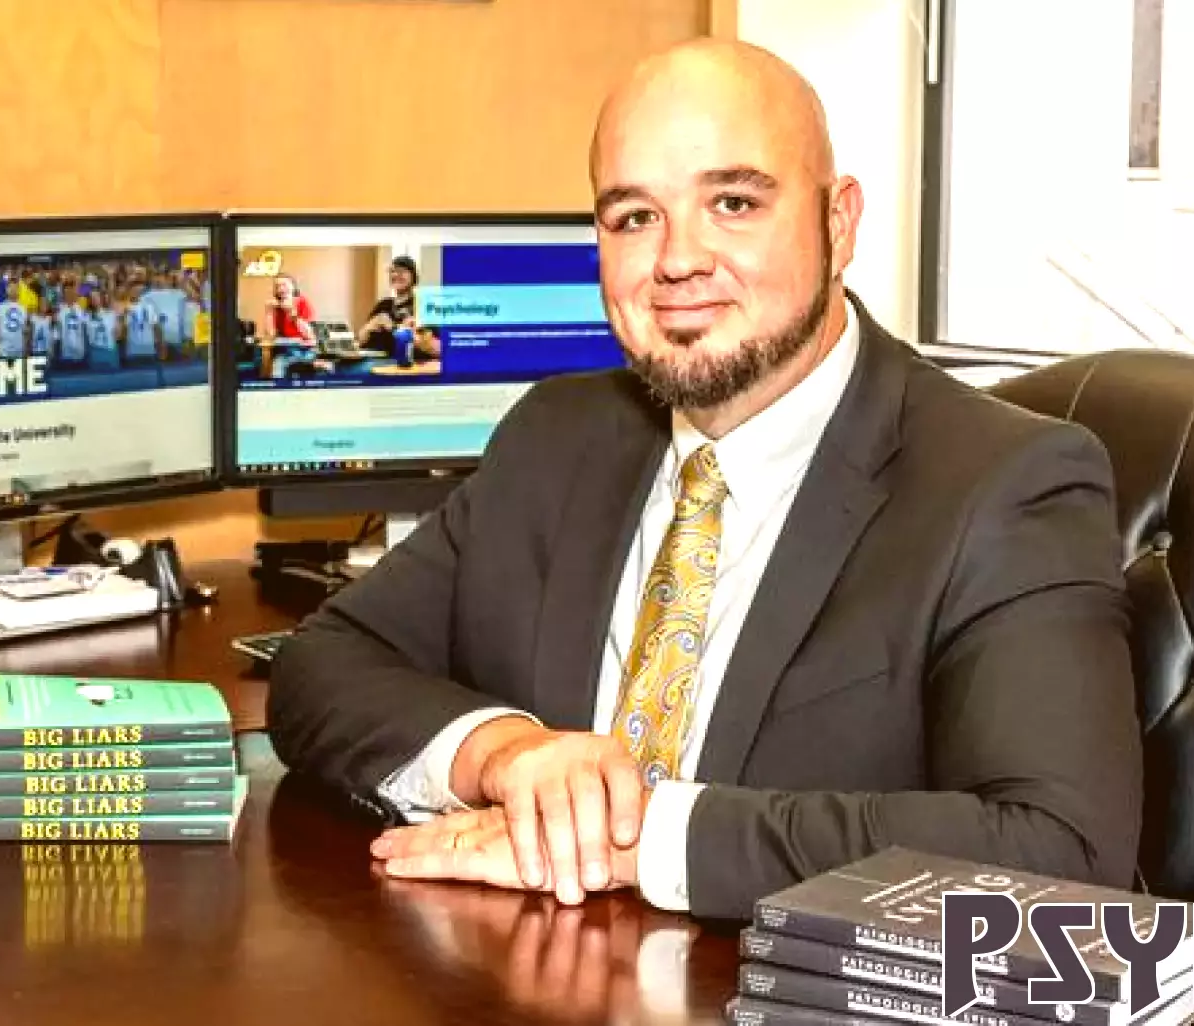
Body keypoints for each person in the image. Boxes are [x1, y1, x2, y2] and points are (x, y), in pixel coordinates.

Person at [265, 38, 1143, 921]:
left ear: (839, 224)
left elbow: (1059, 850)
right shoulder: (557, 435)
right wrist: (502, 754)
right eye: (633, 217)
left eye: (733, 203)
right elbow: (321, 665)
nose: (678, 259)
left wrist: (640, 838)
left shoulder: (1004, 482)